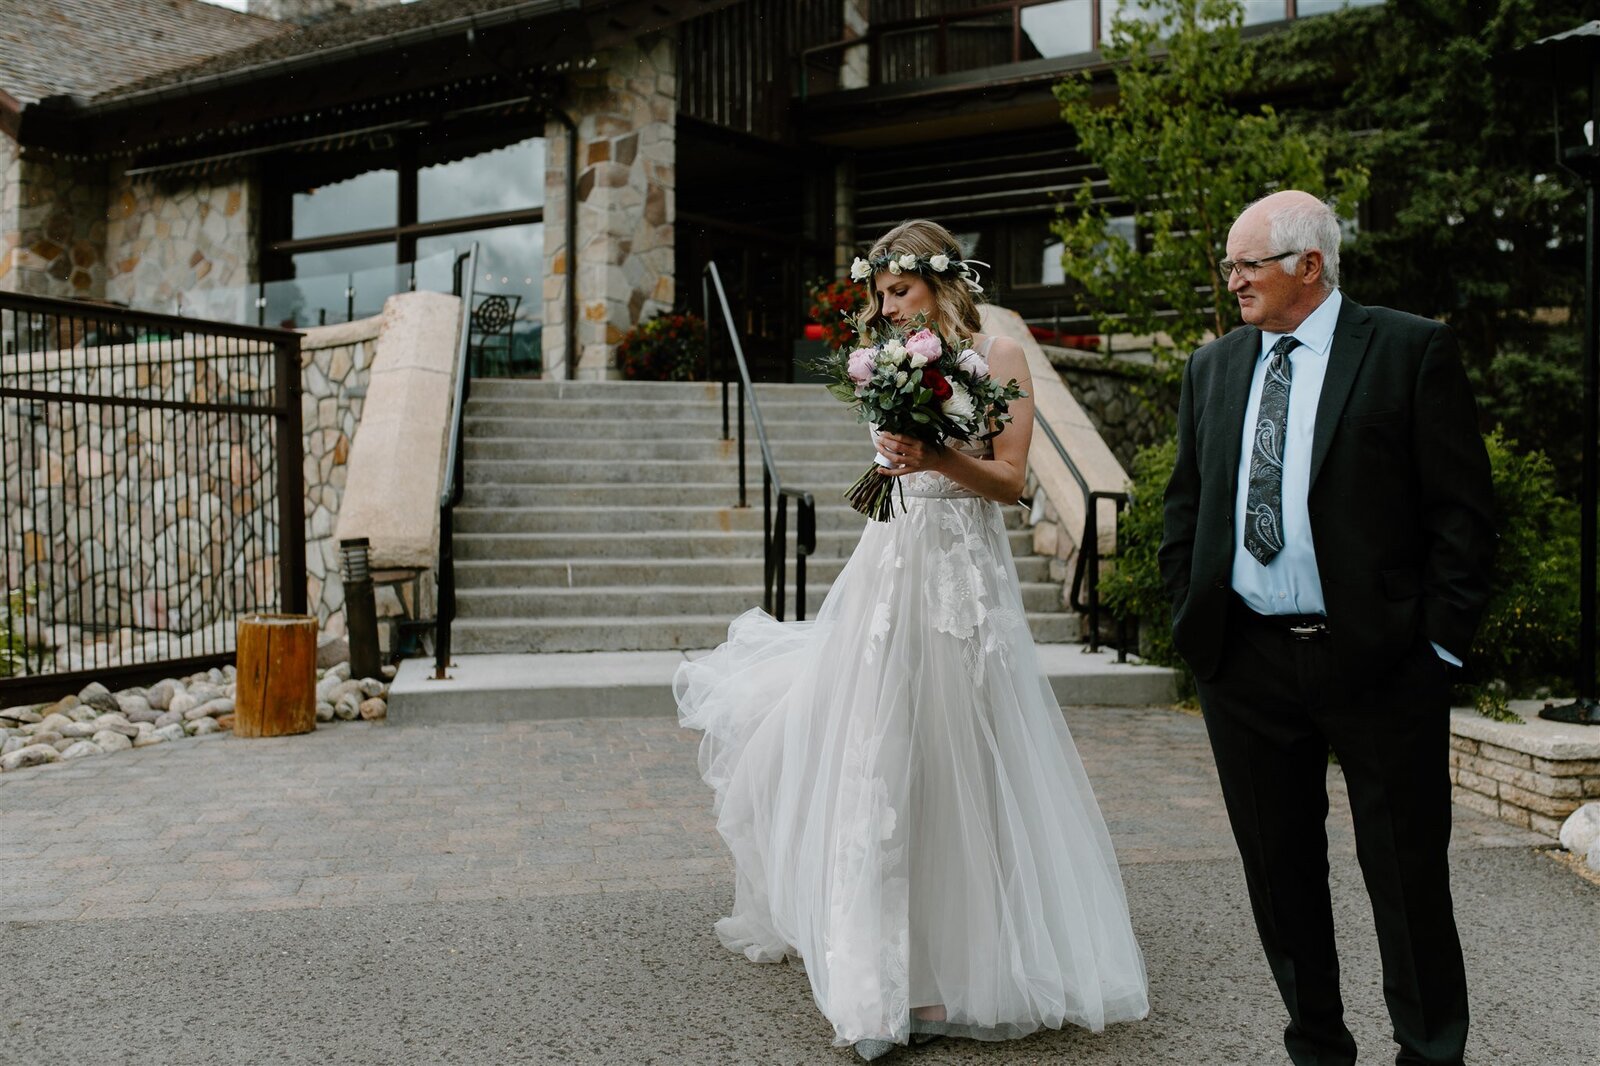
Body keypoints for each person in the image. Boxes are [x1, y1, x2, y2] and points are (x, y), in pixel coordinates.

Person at [675, 219, 1149, 1060]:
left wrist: (933, 457)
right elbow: (893, 469)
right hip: (890, 566)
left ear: (940, 282)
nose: (886, 309)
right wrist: (903, 456)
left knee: (959, 749)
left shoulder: (999, 356)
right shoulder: (883, 361)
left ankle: (967, 960)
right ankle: (885, 969)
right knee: (881, 751)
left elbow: (1006, 482)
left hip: (964, 578)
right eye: (879, 295)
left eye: (899, 292)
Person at [1160, 191, 1495, 1066]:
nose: (1231, 280)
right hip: (1246, 663)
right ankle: (1317, 1046)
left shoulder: (1409, 349)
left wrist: (1438, 648)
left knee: (1406, 874)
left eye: (1247, 265)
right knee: (1280, 876)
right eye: (1229, 266)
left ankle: (1429, 1051)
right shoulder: (1215, 368)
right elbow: (1186, 507)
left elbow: (1462, 513)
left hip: (1382, 663)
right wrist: (1196, 628)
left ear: (1309, 265)